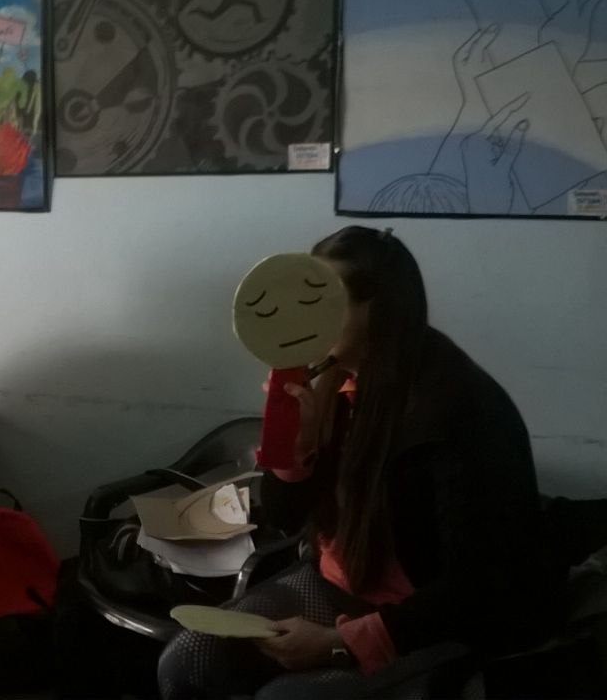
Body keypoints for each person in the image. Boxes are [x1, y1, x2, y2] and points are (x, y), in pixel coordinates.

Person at [157, 226, 564, 699]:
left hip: (426, 620)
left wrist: (340, 643)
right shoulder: (330, 381)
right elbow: (284, 516)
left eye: (319, 302)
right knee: (186, 661)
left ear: (382, 309)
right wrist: (296, 449)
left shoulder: (458, 410)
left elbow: (478, 586)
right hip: (333, 585)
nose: (298, 320)